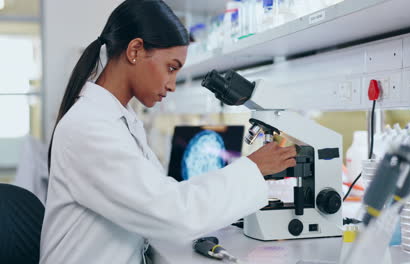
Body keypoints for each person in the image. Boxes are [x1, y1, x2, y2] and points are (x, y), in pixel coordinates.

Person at [39, 0, 297, 263]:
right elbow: (170, 212)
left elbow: (163, 195)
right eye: (171, 68)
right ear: (135, 50)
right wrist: (252, 169)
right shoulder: (89, 127)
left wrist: (243, 173)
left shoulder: (119, 119)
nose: (172, 85)